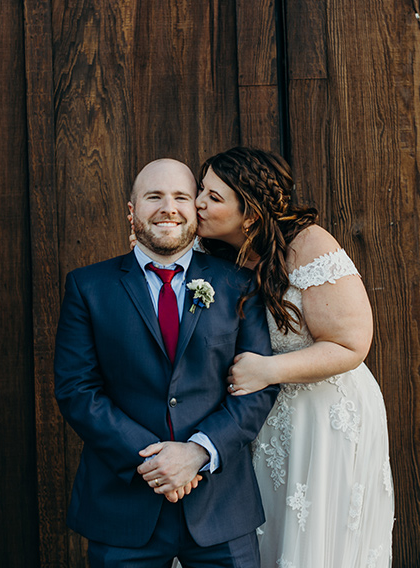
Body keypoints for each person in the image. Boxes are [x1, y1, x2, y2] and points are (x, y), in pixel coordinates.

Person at [54, 158, 279, 568]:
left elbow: (258, 386)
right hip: (122, 511)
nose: (168, 207)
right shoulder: (88, 287)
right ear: (132, 210)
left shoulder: (239, 285)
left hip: (220, 508)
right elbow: (77, 389)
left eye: (180, 196)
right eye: (153, 196)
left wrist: (197, 452)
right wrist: (157, 463)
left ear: (195, 209)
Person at [192, 147, 394, 568]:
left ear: (248, 213)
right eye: (200, 191)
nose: (197, 204)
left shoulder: (308, 244)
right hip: (263, 417)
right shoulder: (215, 255)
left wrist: (268, 369)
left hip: (324, 416)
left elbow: (351, 343)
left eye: (213, 197)